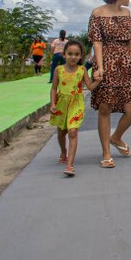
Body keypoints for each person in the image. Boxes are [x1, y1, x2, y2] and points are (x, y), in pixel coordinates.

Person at [88, 0, 131, 168]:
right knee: (105, 108)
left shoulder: (127, 13)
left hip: (126, 63)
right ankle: (106, 153)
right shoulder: (97, 13)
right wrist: (101, 66)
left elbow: (129, 40)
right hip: (106, 62)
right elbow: (97, 42)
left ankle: (116, 137)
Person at [50, 40, 100, 177]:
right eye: (70, 54)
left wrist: (99, 81)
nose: (73, 57)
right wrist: (52, 104)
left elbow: (89, 86)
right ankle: (63, 151)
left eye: (76, 54)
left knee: (72, 132)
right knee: (61, 133)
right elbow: (54, 88)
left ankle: (70, 165)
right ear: (64, 55)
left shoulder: (82, 70)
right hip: (61, 104)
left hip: (76, 105)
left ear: (81, 56)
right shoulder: (58, 70)